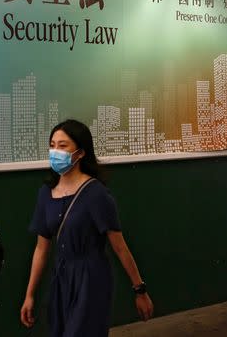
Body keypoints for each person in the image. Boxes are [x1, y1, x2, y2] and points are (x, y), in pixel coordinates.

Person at [20, 119, 154, 336]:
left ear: (80, 153)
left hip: (91, 278)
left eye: (63, 146)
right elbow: (41, 249)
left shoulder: (96, 194)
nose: (55, 151)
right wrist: (29, 295)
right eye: (52, 145)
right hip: (61, 278)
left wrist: (140, 290)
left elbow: (120, 247)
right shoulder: (46, 193)